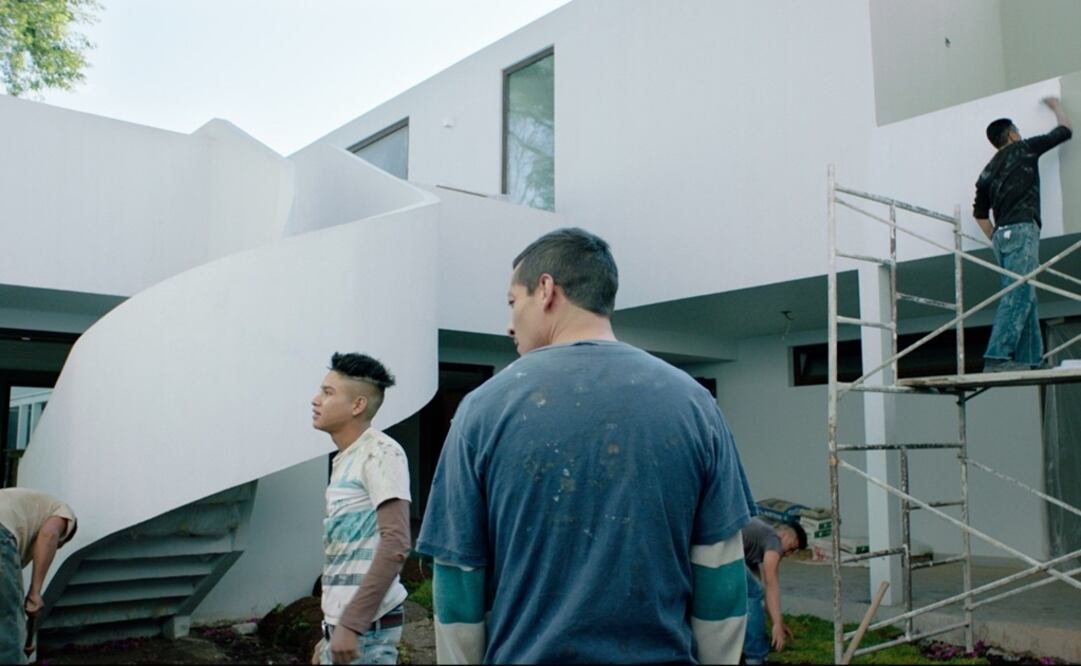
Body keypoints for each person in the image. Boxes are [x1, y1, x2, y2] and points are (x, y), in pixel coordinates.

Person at [416, 227, 757, 664]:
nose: (508, 323)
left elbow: (459, 578)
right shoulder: (695, 404)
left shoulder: (482, 410)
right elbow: (720, 573)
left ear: (546, 290)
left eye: (512, 302)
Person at [310, 353, 412, 665]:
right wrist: (328, 633)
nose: (316, 400)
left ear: (357, 405)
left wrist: (351, 625)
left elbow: (396, 542)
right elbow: (349, 555)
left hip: (366, 632)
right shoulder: (347, 459)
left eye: (328, 393)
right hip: (347, 630)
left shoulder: (380, 452)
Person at [974, 96, 1072, 372]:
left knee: (1023, 293)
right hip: (1022, 229)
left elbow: (979, 214)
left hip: (1001, 236)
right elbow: (1064, 132)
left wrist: (995, 236)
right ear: (1013, 133)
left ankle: (1030, 359)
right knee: (1018, 294)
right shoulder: (1024, 149)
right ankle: (996, 358)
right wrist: (1056, 107)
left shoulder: (987, 171)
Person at [0, 488, 78, 665]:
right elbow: (49, 535)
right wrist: (35, 592)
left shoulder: (23, 506)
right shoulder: (63, 511)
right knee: (7, 628)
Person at [741, 517, 806, 665]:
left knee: (754, 594)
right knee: (754, 593)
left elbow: (765, 595)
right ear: (784, 535)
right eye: (791, 548)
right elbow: (771, 584)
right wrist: (776, 624)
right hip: (719, 546)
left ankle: (743, 652)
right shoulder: (774, 540)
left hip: (716, 545)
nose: (789, 555)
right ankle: (755, 657)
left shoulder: (758, 542)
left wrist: (778, 621)